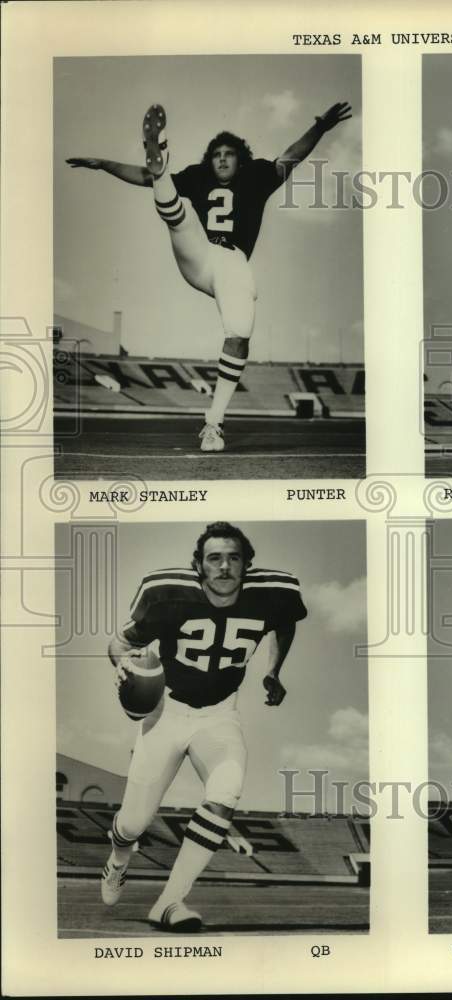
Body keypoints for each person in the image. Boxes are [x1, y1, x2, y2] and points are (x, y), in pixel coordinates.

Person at [67, 100, 352, 452]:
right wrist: (105, 164)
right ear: (210, 158)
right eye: (216, 153)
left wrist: (320, 127)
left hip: (232, 266)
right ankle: (162, 165)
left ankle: (213, 426)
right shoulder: (198, 177)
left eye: (229, 154)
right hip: (201, 254)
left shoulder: (257, 177)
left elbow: (292, 155)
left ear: (241, 159)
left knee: (240, 337)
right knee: (178, 214)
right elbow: (141, 175)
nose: (221, 159)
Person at [102, 522, 307, 931]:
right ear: (198, 565)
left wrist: (273, 671)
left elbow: (285, 623)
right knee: (132, 823)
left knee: (225, 791)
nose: (225, 566)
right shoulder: (167, 595)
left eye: (234, 558)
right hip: (167, 712)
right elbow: (119, 643)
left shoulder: (274, 594)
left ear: (247, 565)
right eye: (214, 558)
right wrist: (124, 666)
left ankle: (169, 902)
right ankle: (119, 859)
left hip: (219, 714)